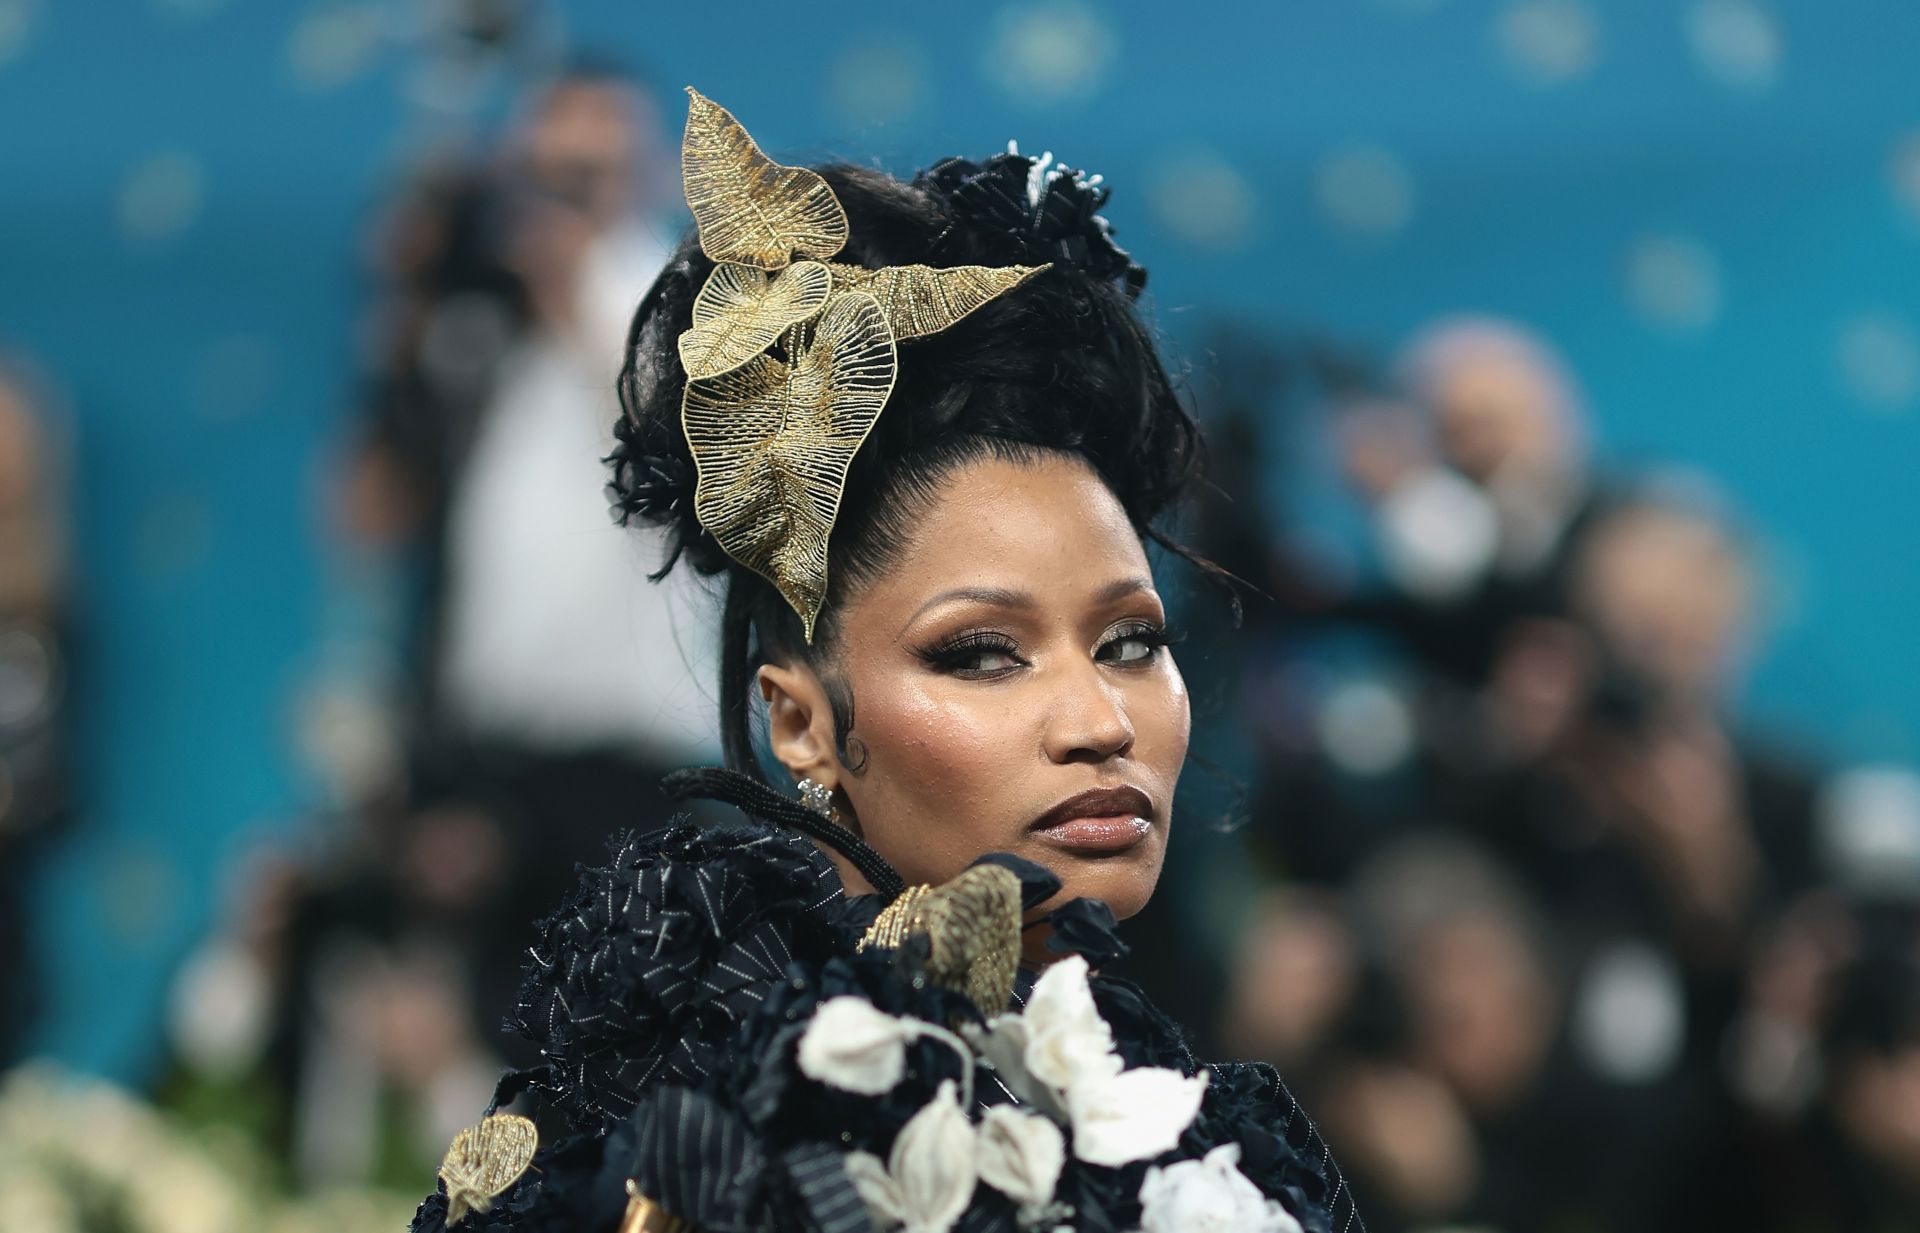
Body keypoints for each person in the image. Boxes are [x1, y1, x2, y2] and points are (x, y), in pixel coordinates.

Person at [408, 92, 1362, 1233]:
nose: (1099, 719)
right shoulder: (714, 1159)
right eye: (982, 653)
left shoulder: (1191, 1120)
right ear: (800, 721)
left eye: (1132, 642)